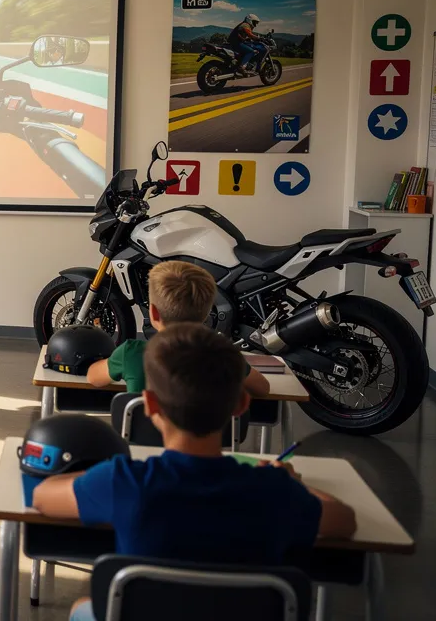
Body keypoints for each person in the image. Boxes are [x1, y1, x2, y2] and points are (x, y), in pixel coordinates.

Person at [32, 323, 357, 621]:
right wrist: (290, 482)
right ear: (241, 405)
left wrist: (95, 472)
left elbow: (43, 497)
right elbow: (345, 521)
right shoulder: (276, 492)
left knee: (81, 607)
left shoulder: (121, 481)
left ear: (150, 404)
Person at [87, 261, 270, 397]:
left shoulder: (131, 353)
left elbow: (93, 378)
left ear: (154, 313)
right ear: (206, 315)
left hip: (143, 439)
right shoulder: (225, 355)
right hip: (205, 439)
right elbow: (263, 388)